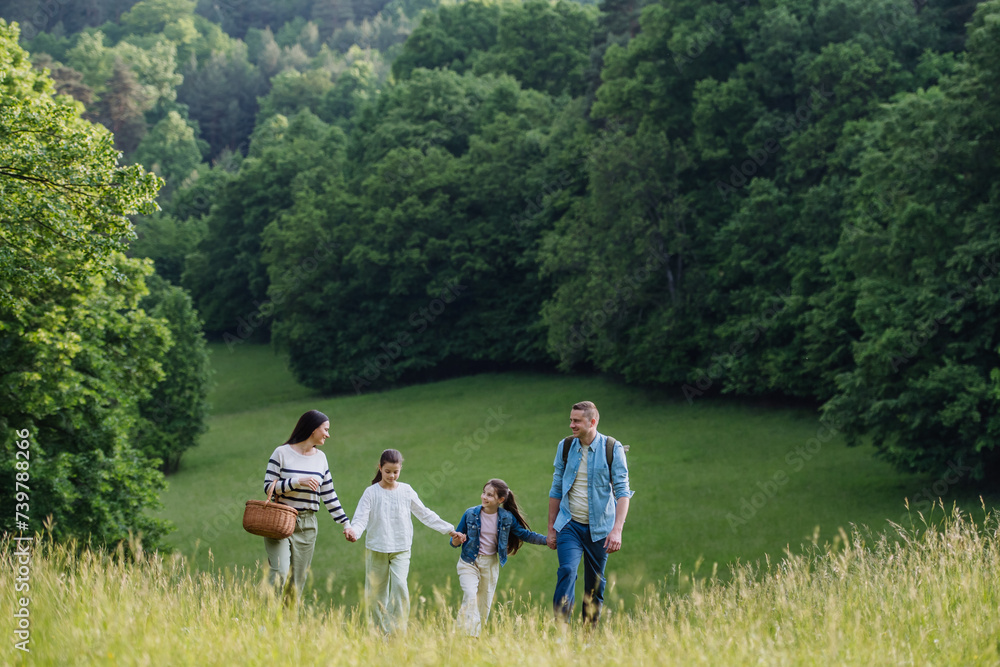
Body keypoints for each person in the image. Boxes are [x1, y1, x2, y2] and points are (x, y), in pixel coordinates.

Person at [347, 449, 464, 635]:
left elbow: (425, 513)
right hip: (377, 547)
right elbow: (360, 519)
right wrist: (354, 532)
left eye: (396, 471)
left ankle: (396, 632)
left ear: (400, 469)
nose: (392, 475)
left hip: (401, 548)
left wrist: (449, 529)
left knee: (400, 586)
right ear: (380, 468)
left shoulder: (406, 490)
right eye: (387, 471)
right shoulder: (371, 492)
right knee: (376, 593)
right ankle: (378, 633)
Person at [547, 400, 633, 624]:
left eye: (576, 421)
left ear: (592, 421)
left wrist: (617, 530)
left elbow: (623, 492)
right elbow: (556, 488)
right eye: (570, 420)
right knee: (566, 570)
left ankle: (588, 634)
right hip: (569, 524)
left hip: (601, 528)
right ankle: (561, 629)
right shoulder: (565, 447)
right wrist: (551, 529)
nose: (571, 425)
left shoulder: (612, 448)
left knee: (594, 584)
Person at [262, 409, 354, 603]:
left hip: (307, 525)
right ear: (313, 429)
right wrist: (297, 482)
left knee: (296, 582)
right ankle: (264, 622)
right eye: (326, 429)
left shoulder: (321, 458)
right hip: (281, 521)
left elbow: (328, 494)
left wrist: (345, 523)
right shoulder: (281, 453)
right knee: (279, 572)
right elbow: (268, 487)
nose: (328, 435)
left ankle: (286, 627)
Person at [449, 478, 547, 637]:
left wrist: (546, 541)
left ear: (500, 500)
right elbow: (454, 542)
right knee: (469, 594)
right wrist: (456, 540)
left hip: (490, 564)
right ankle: (468, 636)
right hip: (469, 562)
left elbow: (525, 534)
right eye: (484, 493)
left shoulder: (507, 518)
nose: (484, 497)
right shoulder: (470, 514)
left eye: (489, 495)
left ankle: (472, 635)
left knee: (483, 604)